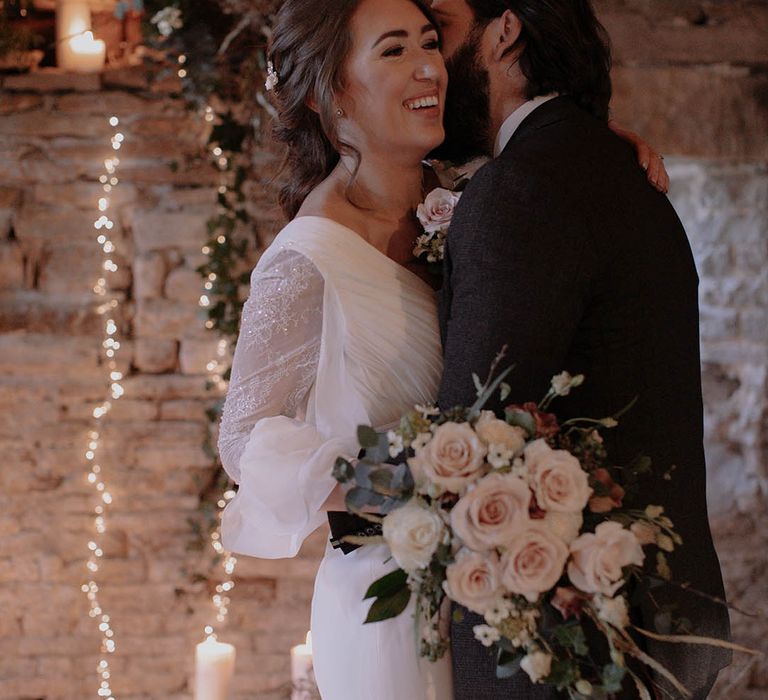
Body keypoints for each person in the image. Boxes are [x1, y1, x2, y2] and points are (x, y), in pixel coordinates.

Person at [216, 0, 672, 697]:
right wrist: (409, 482)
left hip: (501, 596)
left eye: (430, 42)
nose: (431, 65)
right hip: (387, 599)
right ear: (328, 90)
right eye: (395, 50)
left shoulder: (473, 195)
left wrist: (605, 149)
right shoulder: (305, 259)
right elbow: (245, 443)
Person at [431, 1, 731, 698]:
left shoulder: (525, 188)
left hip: (561, 646)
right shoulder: (616, 173)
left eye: (442, 32)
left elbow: (472, 435)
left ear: (504, 30)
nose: (430, 65)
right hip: (653, 619)